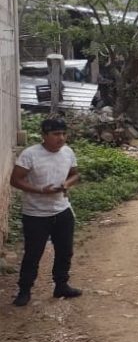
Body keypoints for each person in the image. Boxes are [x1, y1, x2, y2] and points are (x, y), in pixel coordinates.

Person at [9, 117, 82, 307]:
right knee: (33, 254)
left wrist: (67, 183)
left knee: (65, 251)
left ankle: (61, 285)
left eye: (64, 134)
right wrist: (41, 190)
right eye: (56, 134)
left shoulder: (67, 152)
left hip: (62, 210)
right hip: (36, 214)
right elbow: (15, 180)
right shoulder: (30, 155)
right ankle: (24, 290)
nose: (61, 138)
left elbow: (76, 174)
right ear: (44, 136)